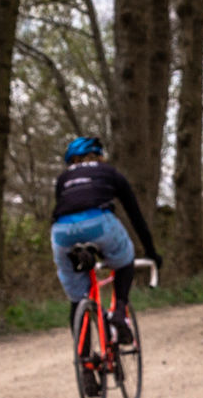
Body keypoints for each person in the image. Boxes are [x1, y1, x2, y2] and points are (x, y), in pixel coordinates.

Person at [50, 136, 161, 349]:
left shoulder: (63, 179)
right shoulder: (110, 173)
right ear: (99, 156)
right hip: (99, 224)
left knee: (77, 300)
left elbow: (65, 209)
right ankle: (119, 312)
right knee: (124, 259)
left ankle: (86, 368)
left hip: (61, 233)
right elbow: (135, 216)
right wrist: (151, 252)